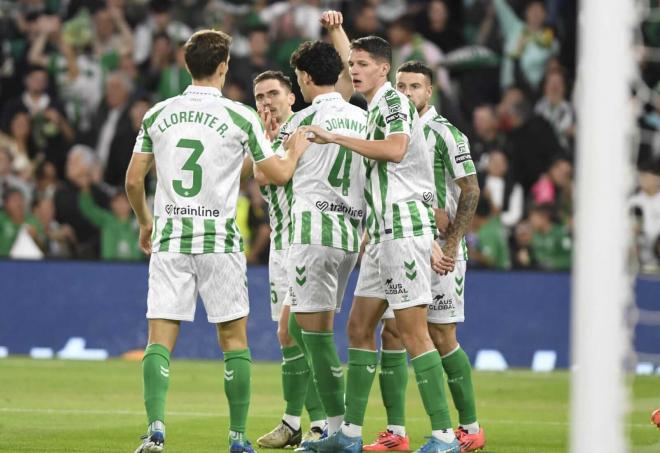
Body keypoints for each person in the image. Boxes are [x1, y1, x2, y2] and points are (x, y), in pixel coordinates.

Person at [125, 29, 309, 453]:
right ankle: (238, 437)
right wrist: (294, 150)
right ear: (224, 67)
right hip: (220, 243)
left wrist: (145, 222)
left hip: (171, 240)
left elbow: (134, 180)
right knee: (233, 339)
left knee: (160, 338)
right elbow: (276, 175)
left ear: (186, 65)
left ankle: (155, 430)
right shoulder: (240, 116)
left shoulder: (157, 114)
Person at [302, 12, 458, 453]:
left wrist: (335, 138)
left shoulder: (394, 104)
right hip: (380, 233)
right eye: (351, 63)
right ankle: (349, 436)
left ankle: (444, 435)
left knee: (413, 333)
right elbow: (351, 74)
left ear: (384, 69)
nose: (353, 70)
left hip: (404, 228)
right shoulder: (375, 102)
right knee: (358, 327)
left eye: (363, 64)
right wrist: (337, 32)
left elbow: (395, 149)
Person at [362, 61, 485, 452]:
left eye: (415, 87)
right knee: (392, 331)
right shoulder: (390, 124)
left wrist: (451, 245)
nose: (407, 93)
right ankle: (396, 432)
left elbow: (471, 189)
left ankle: (469, 427)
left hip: (442, 250)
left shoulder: (446, 133)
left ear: (429, 92)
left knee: (441, 333)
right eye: (401, 86)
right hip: (401, 238)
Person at [272, 36, 367, 445]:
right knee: (295, 324)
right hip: (350, 236)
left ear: (307, 77)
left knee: (316, 336)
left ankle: (337, 428)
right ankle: (325, 425)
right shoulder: (364, 120)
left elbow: (272, 173)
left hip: (312, 233)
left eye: (297, 77)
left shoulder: (302, 121)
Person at [251, 70, 328, 448]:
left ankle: (323, 422)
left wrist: (270, 145)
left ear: (291, 97)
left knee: (293, 331)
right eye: (259, 97)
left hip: (305, 243)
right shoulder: (264, 138)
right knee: (289, 340)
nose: (266, 102)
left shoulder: (302, 130)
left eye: (273, 94)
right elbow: (259, 174)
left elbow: (273, 177)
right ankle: (295, 422)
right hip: (280, 248)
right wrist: (264, 141)